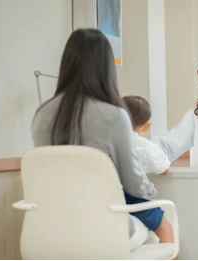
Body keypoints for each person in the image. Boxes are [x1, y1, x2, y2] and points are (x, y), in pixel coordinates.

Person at [31, 28, 157, 236]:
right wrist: (153, 193)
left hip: (51, 228)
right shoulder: (114, 115)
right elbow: (133, 183)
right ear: (106, 68)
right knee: (164, 226)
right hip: (103, 227)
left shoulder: (41, 114)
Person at [122, 95, 175, 246]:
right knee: (166, 229)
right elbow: (163, 169)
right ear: (146, 127)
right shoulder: (144, 146)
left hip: (110, 197)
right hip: (134, 198)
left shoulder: (107, 142)